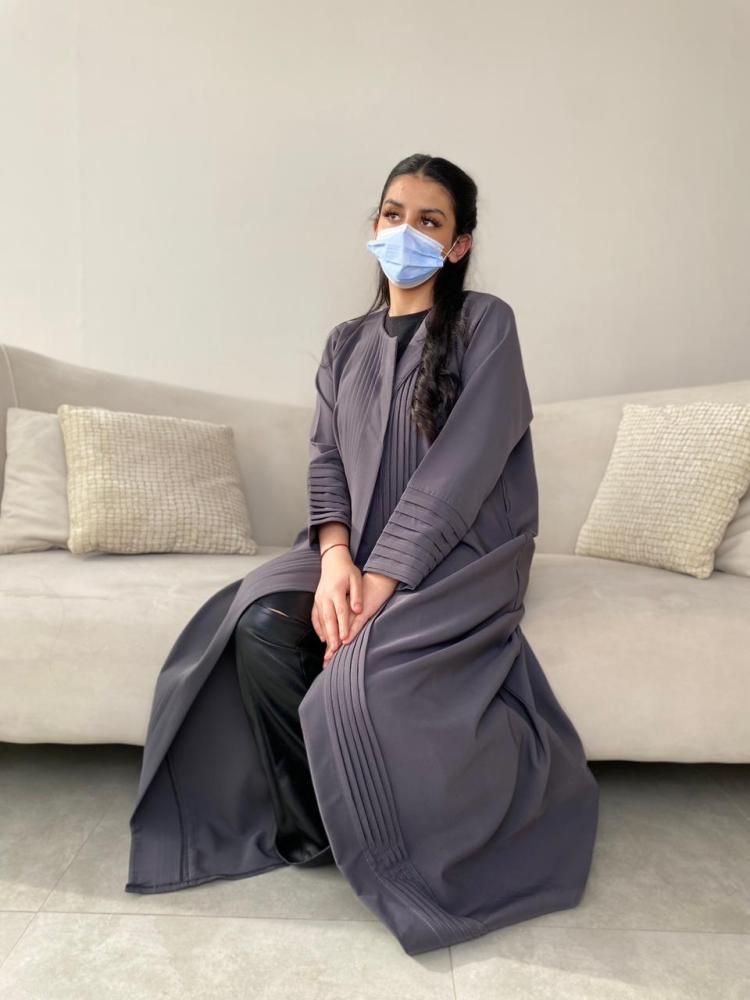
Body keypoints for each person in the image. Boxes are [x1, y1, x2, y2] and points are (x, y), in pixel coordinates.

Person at [125, 154, 600, 958]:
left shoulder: (487, 324)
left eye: (429, 220)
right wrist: (338, 558)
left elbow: (466, 464)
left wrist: (381, 580)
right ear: (374, 226)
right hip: (351, 547)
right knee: (258, 624)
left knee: (358, 676)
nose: (405, 231)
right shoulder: (344, 343)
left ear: (458, 245)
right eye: (393, 214)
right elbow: (325, 457)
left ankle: (386, 838)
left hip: (460, 552)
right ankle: (316, 826)